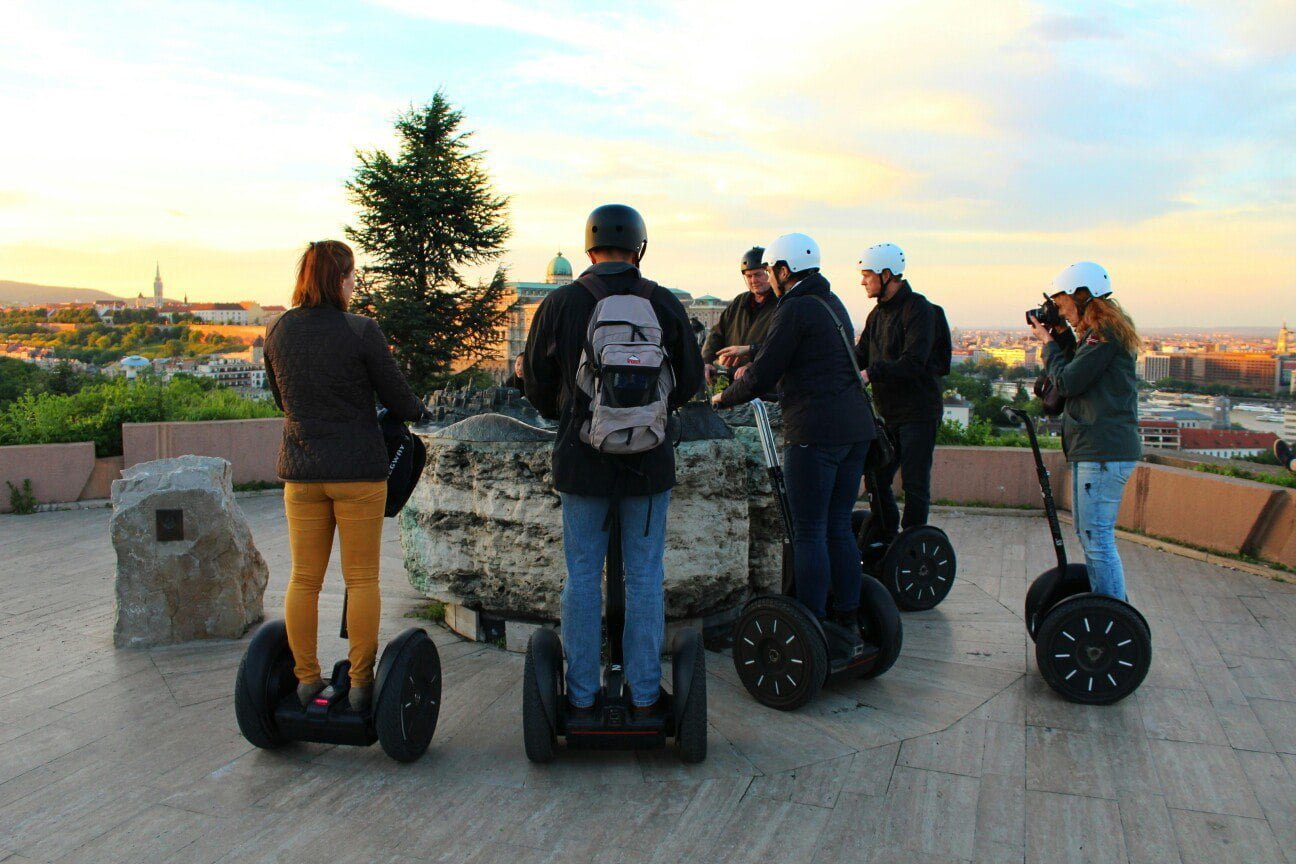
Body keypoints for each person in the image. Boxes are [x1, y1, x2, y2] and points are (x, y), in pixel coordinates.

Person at [523, 204, 703, 716]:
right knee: (645, 575)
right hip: (648, 465)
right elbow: (689, 383)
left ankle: (580, 697)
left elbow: (535, 380)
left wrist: (568, 414)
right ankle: (645, 695)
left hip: (581, 461)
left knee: (581, 575)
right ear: (638, 248)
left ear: (589, 248)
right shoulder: (663, 303)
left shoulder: (559, 304)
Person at [263, 240, 425, 712]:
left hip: (302, 473)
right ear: (338, 279)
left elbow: (281, 401)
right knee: (361, 579)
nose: (355, 284)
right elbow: (401, 401)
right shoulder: (361, 331)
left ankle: (307, 679)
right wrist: (413, 408)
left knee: (304, 580)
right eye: (351, 275)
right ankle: (359, 684)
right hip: (358, 474)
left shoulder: (277, 331)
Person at [712, 233, 877, 659]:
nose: (768, 278)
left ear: (784, 271)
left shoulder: (795, 307)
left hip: (815, 432)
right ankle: (847, 617)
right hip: (855, 430)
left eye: (771, 271)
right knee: (838, 526)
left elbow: (764, 373)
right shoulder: (831, 302)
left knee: (808, 531)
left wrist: (722, 398)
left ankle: (811, 623)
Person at [1029, 261, 1141, 600]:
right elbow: (1078, 371)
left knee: (1098, 539)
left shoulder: (1104, 336)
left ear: (1082, 296)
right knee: (1091, 535)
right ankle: (1104, 607)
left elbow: (1067, 381)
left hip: (1104, 451)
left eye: (1063, 304)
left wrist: (1048, 343)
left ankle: (1112, 613)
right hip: (1095, 449)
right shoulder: (1098, 335)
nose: (1061, 311)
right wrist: (1062, 337)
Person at [855, 243, 942, 534]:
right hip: (888, 414)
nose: (863, 281)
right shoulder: (876, 315)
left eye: (867, 275)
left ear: (887, 274)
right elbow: (859, 355)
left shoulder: (918, 309)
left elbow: (914, 362)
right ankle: (886, 531)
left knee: (915, 483)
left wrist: (871, 373)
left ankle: (913, 543)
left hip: (918, 413)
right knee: (877, 477)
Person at [702, 247, 779, 385]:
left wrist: (754, 365)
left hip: (765, 385)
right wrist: (706, 361)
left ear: (771, 273)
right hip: (733, 382)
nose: (753, 280)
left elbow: (778, 346)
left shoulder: (782, 305)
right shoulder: (739, 303)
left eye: (758, 274)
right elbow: (717, 333)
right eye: (749, 276)